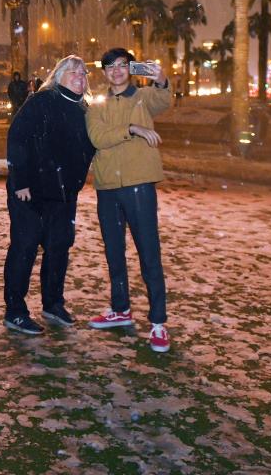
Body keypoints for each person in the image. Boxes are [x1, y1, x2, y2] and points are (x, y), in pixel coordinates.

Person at [86, 48, 172, 353]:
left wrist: (160, 78)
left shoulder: (143, 97)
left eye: (122, 65)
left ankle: (158, 322)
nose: (116, 71)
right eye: (110, 66)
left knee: (149, 252)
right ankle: (120, 309)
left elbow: (163, 99)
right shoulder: (96, 103)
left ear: (131, 69)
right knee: (114, 252)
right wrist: (133, 129)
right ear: (104, 72)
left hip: (139, 185)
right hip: (108, 186)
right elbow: (98, 137)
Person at [3, 56, 96, 335]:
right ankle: (15, 311)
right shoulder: (42, 101)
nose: (80, 76)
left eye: (84, 73)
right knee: (25, 247)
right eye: (74, 71)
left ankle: (53, 303)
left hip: (63, 194)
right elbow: (17, 137)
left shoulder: (83, 109)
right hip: (30, 191)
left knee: (59, 247)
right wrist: (20, 181)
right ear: (58, 76)